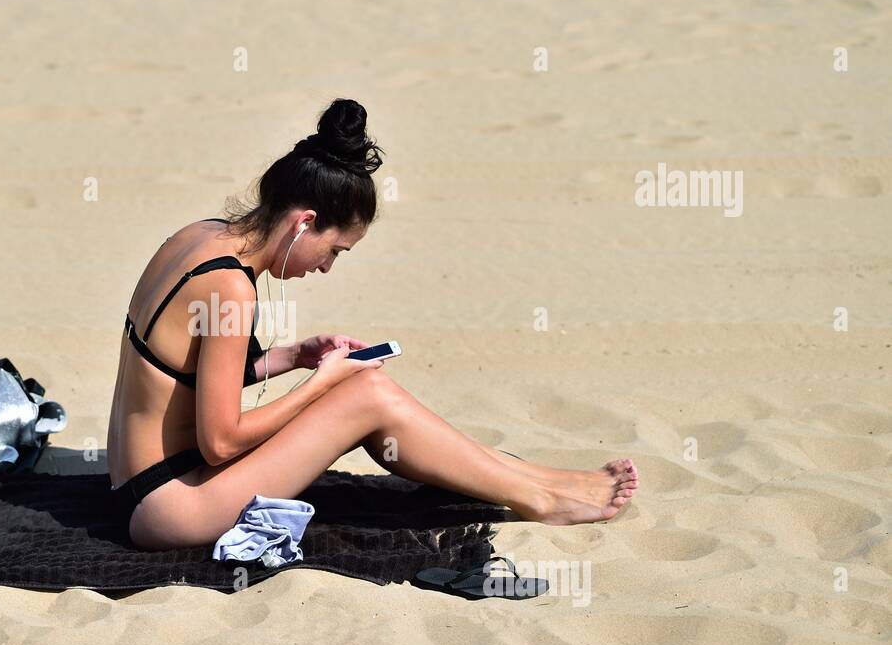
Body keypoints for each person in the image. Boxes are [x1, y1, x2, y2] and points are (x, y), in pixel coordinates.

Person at [106, 98, 639, 551]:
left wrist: (294, 356)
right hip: (173, 504)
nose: (325, 267)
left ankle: (535, 479)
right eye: (334, 250)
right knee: (367, 395)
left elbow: (182, 370)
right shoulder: (231, 286)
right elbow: (221, 442)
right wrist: (322, 384)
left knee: (366, 387)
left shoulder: (201, 236)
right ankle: (540, 496)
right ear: (305, 222)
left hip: (139, 482)